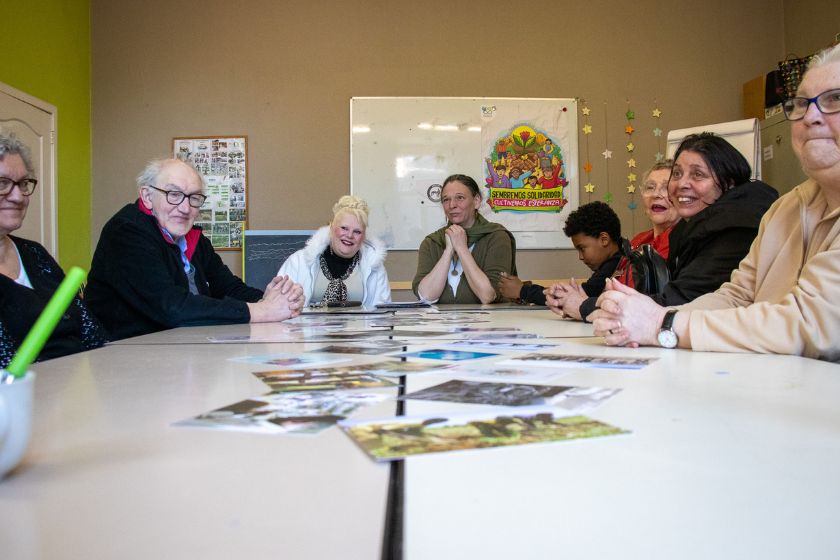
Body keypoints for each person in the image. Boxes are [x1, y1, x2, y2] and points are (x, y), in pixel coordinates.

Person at [589, 43, 840, 362]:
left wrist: (661, 324)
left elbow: (809, 324)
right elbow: (738, 295)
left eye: (835, 99)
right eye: (802, 104)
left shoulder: (738, 221)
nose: (810, 117)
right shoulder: (786, 209)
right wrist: (648, 318)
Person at [87, 158, 303, 340]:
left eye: (194, 198)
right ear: (147, 196)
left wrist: (273, 299)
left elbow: (228, 288)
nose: (185, 208)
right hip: (128, 357)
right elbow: (172, 307)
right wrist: (260, 311)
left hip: (186, 346)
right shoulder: (126, 232)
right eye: (173, 194)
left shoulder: (193, 238)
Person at [0, 134, 107, 366]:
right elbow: (7, 367)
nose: (18, 196)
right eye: (2, 184)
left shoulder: (34, 253)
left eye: (23, 183)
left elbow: (91, 331)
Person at [646, 133, 778, 306]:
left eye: (698, 175)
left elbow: (681, 300)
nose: (681, 184)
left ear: (729, 183)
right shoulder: (687, 229)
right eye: (677, 173)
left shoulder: (737, 230)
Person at [413, 174, 516, 304]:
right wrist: (449, 250)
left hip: (488, 322)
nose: (452, 205)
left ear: (476, 201)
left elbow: (488, 296)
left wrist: (461, 248)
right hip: (440, 323)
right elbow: (426, 296)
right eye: (446, 200)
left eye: (460, 198)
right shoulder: (432, 242)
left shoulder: (496, 236)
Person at [277, 195, 390, 307]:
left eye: (357, 231)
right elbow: (278, 305)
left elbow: (382, 311)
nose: (349, 235)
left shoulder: (375, 268)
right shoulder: (298, 262)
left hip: (360, 325)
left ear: (364, 236)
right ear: (331, 228)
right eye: (344, 228)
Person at [542, 201, 625, 319]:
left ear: (604, 239)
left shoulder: (616, 264)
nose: (580, 257)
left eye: (582, 248)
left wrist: (522, 291)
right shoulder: (616, 259)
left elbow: (584, 293)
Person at [614, 159, 680, 287]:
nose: (656, 194)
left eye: (666, 188)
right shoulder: (639, 239)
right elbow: (617, 280)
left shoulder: (681, 241)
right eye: (650, 187)